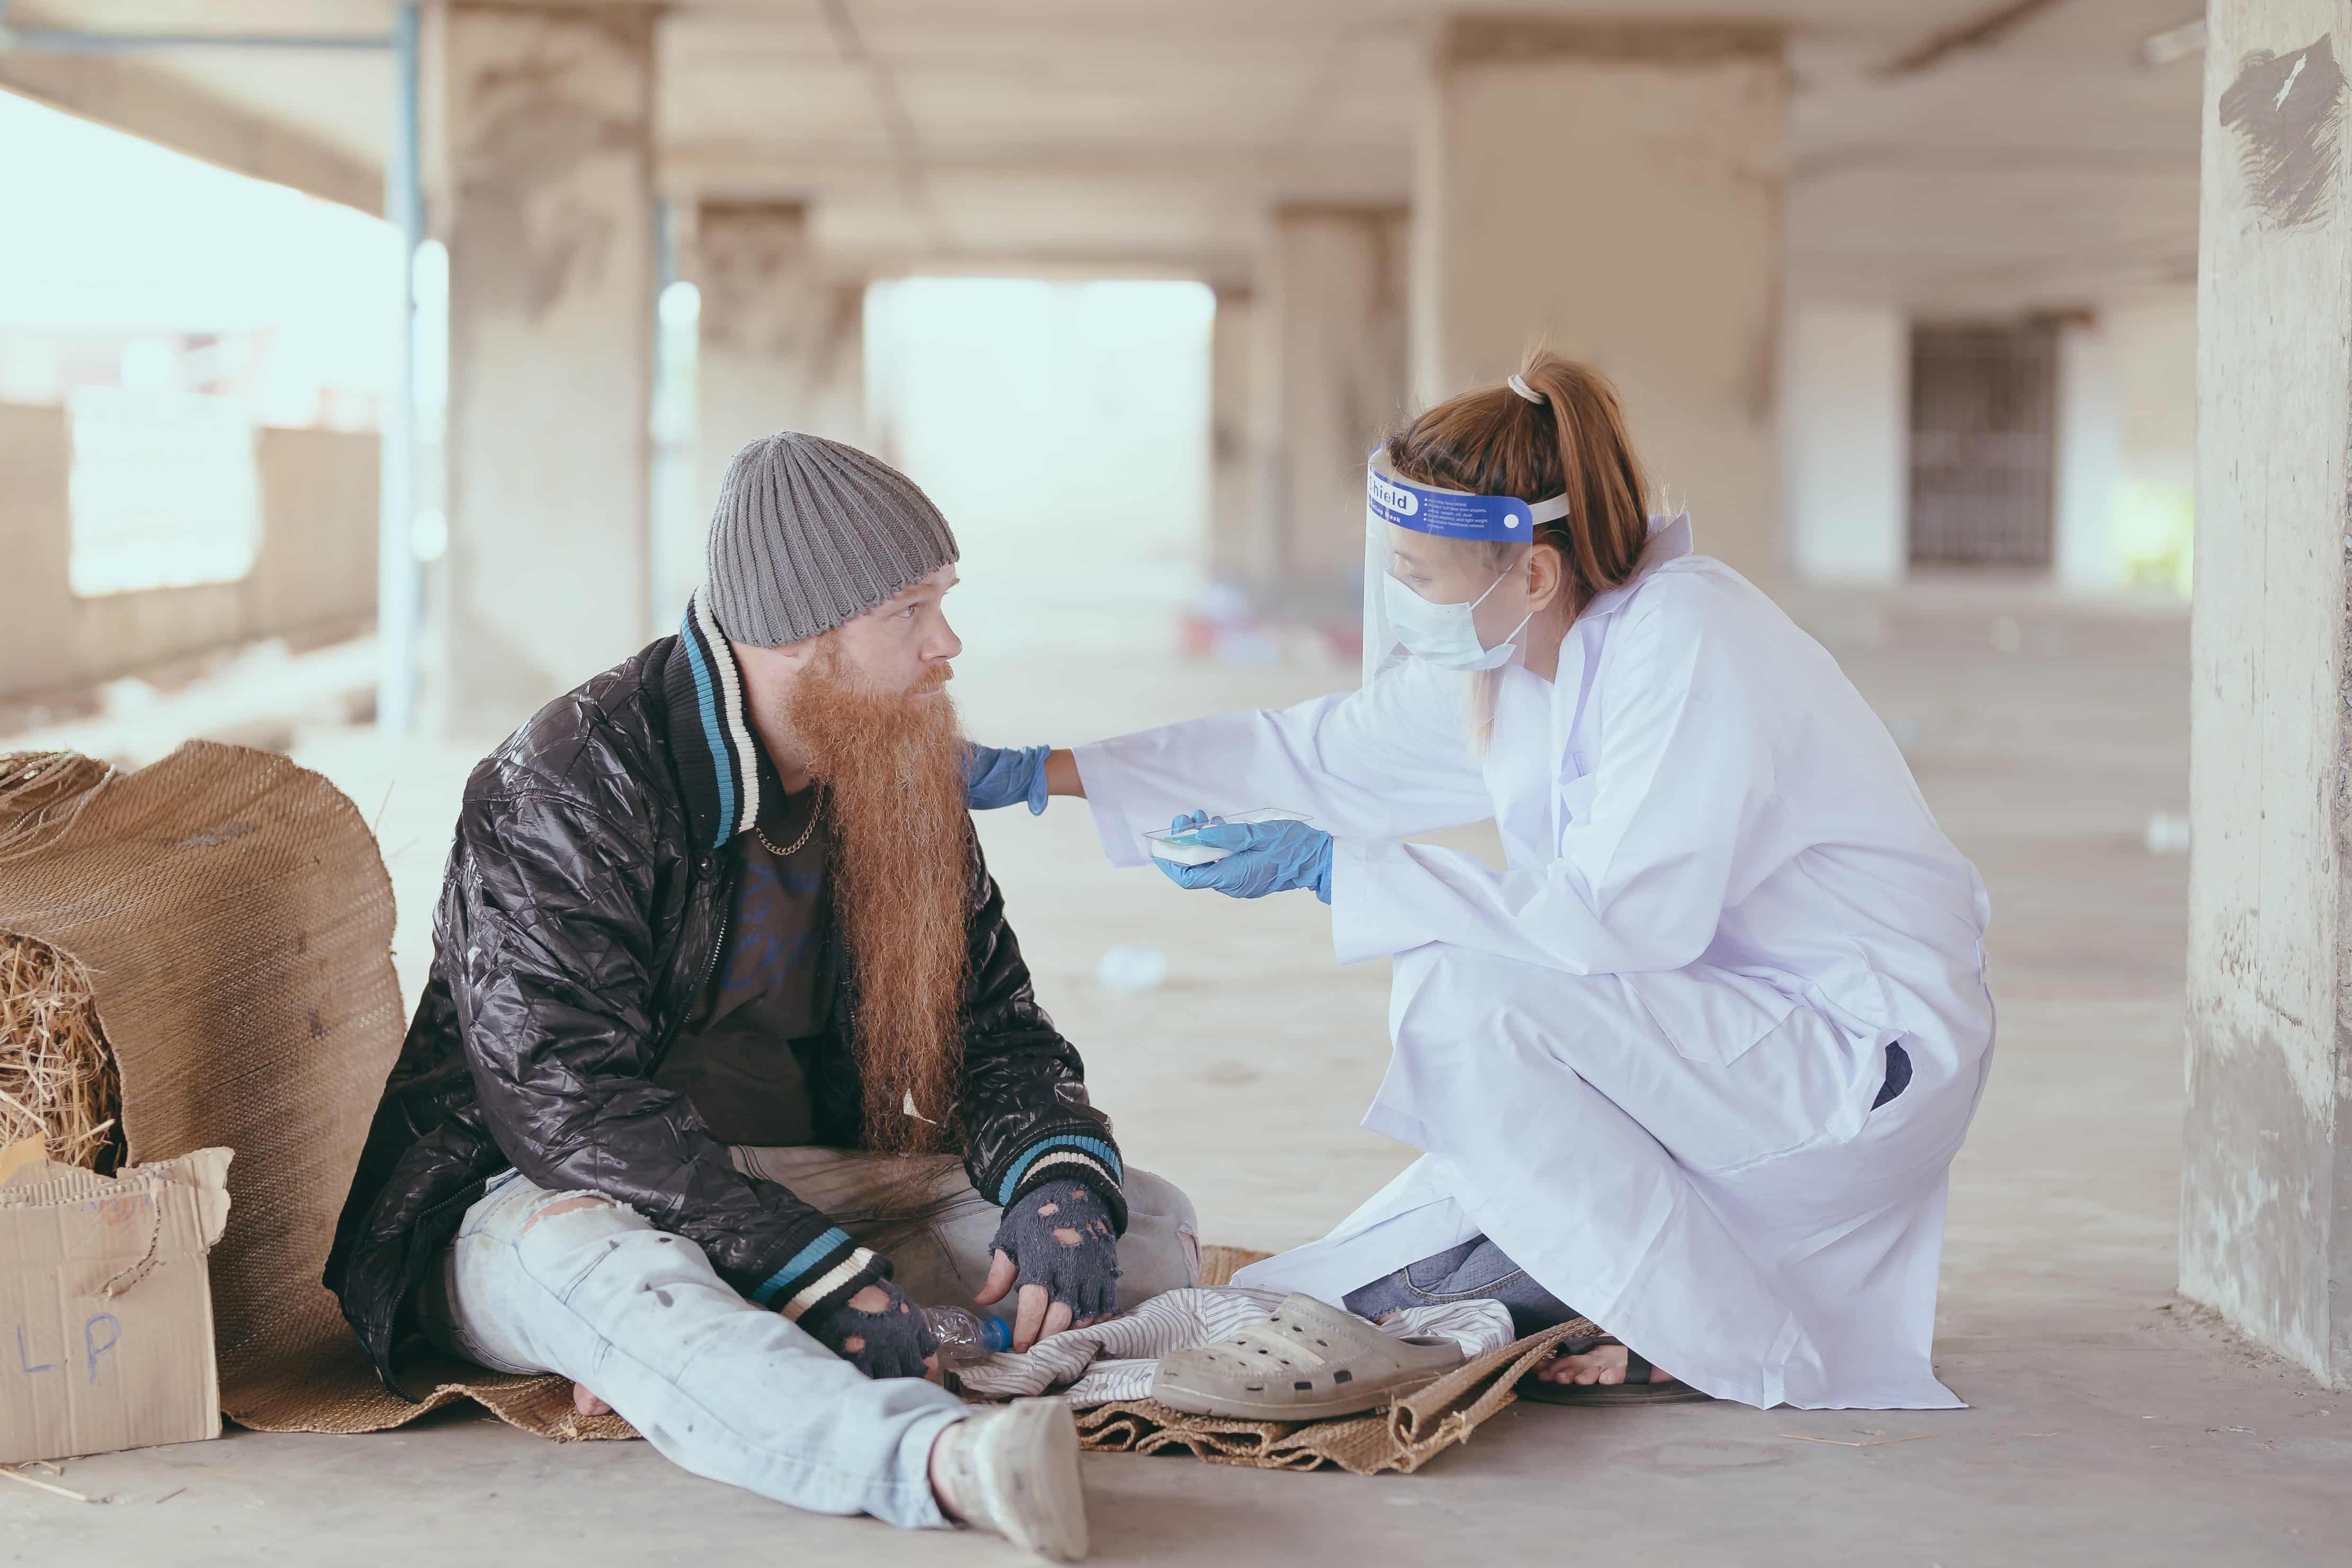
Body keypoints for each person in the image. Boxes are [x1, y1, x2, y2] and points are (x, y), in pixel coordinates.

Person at [965, 351, 1993, 1411]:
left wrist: (1335, 866)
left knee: (1466, 990)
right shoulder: (1530, 656)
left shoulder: (1687, 639)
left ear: (1531, 574)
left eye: (1418, 575)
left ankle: (1705, 1334)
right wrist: (1043, 772)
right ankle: (1582, 1301)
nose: (1400, 597)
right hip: (1721, 1045)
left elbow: (1622, 920)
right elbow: (1315, 754)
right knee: (1316, 1286)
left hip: (1853, 1061)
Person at [327, 433, 1201, 1560]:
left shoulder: (894, 765)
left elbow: (992, 1025)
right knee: (621, 1273)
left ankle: (717, 1354)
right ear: (798, 633)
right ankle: (938, 1459)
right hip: (540, 1195)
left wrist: (1056, 1177)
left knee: (1143, 1221)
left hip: (771, 1184)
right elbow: (561, 1100)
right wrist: (803, 1267)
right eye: (908, 611)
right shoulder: (567, 777)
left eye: (942, 600)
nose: (947, 642)